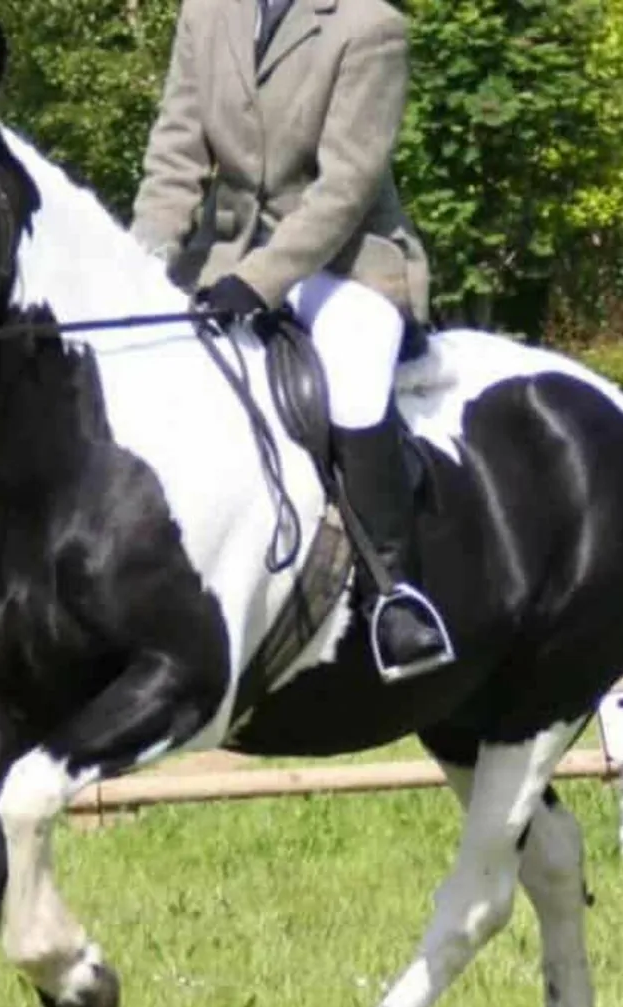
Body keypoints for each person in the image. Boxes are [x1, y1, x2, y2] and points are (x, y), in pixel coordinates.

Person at [130, 0, 454, 681]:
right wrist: (144, 258)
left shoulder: (369, 26)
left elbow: (346, 187)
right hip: (220, 258)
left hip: (342, 261)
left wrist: (261, 278)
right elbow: (176, 150)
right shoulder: (206, 14)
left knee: (354, 363)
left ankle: (392, 595)